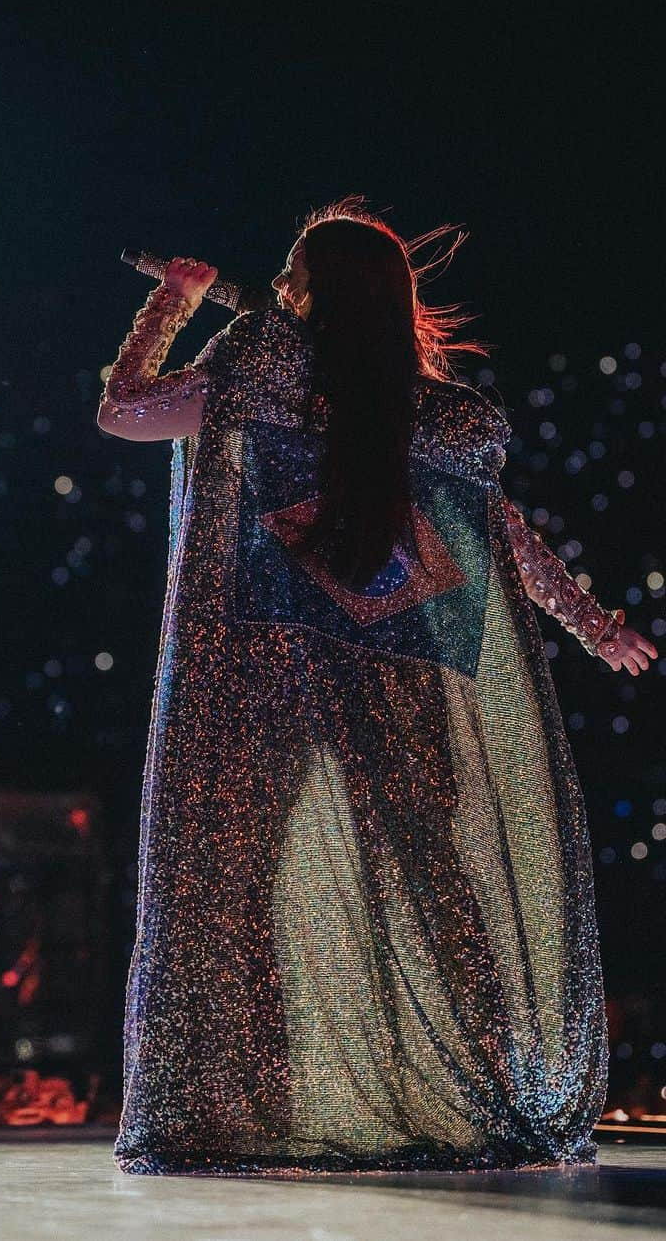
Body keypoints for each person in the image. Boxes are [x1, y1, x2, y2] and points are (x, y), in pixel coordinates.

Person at [96, 194, 656, 1175]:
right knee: (433, 878)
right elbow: (507, 538)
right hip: (400, 686)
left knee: (250, 879)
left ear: (304, 291)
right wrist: (593, 624)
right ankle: (488, 1087)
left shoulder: (267, 384)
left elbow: (125, 409)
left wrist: (173, 302)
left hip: (271, 680)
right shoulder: (426, 419)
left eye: (291, 273)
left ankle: (252, 1104)